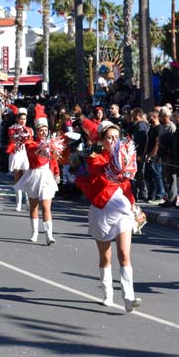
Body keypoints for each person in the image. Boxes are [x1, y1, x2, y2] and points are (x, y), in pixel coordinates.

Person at [76, 121, 141, 313]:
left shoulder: (125, 157)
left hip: (122, 211)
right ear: (102, 140)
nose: (113, 141)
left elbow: (129, 175)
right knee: (105, 257)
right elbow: (101, 171)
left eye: (116, 137)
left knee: (124, 254)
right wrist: (116, 164)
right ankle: (107, 293)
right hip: (102, 210)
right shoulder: (95, 158)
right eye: (109, 137)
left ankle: (128, 297)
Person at [15, 117, 61, 244]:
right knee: (34, 206)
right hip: (34, 175)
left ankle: (48, 234)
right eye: (41, 130)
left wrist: (56, 172)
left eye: (46, 130)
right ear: (37, 131)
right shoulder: (31, 144)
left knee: (46, 207)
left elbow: (53, 160)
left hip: (46, 175)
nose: (44, 132)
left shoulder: (51, 144)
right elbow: (36, 152)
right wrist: (44, 147)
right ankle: (34, 232)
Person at [6, 110, 33, 211]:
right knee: (17, 180)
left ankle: (28, 203)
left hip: (25, 155)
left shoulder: (29, 130)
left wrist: (25, 133)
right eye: (21, 119)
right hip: (16, 154)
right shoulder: (12, 129)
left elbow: (30, 140)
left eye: (24, 119)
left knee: (27, 180)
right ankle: (18, 204)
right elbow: (13, 138)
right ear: (17, 119)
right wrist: (20, 133)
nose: (23, 121)